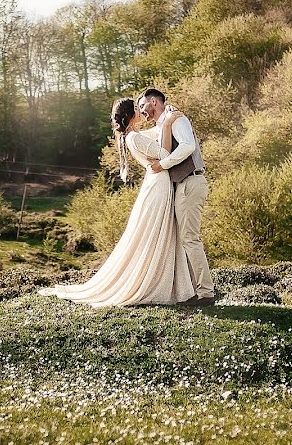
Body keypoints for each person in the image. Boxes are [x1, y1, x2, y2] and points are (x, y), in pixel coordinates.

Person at [38, 97, 196, 307]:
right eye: (136, 109)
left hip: (157, 183)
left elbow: (157, 137)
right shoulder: (135, 138)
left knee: (158, 232)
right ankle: (156, 282)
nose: (140, 112)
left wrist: (166, 120)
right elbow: (165, 154)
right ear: (130, 114)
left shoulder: (133, 136)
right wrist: (167, 123)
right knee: (156, 231)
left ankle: (171, 282)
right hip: (158, 185)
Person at [137, 88, 215, 305]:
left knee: (190, 238)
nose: (142, 111)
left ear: (154, 102)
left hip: (190, 181)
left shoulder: (177, 118)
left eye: (143, 106)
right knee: (183, 239)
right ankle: (191, 290)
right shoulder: (164, 124)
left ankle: (206, 293)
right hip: (182, 185)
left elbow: (188, 146)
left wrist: (162, 165)